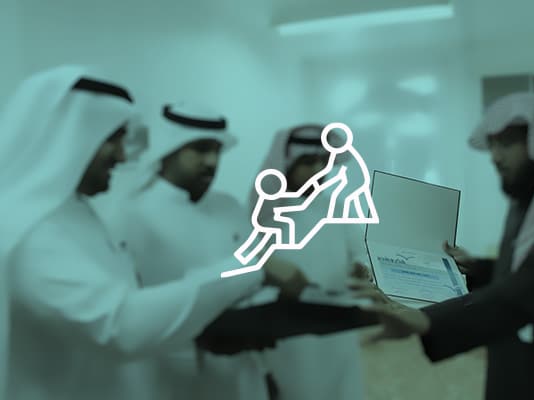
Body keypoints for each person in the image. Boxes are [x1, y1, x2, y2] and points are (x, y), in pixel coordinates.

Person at [0, 66, 306, 400]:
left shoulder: (78, 214)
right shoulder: (32, 230)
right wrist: (249, 269)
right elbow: (121, 326)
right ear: (70, 137)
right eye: (111, 139)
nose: (122, 155)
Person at [360, 92, 534, 400]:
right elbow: (527, 270)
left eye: (507, 144)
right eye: (493, 145)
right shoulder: (533, 198)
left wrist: (429, 320)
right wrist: (476, 269)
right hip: (520, 364)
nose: (495, 157)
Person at [92, 101, 304, 400]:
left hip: (242, 373)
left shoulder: (228, 208)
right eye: (201, 149)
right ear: (168, 148)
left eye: (217, 150)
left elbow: (255, 281)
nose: (212, 161)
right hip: (172, 379)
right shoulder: (128, 216)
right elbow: (129, 317)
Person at [251, 124, 372, 400]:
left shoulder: (337, 207)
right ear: (286, 163)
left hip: (338, 325)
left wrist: (361, 267)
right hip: (289, 332)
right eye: (308, 162)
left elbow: (360, 251)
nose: (318, 170)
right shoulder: (265, 212)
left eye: (323, 161)